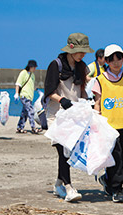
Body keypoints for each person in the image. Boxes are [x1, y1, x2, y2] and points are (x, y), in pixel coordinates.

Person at [43, 32, 94, 202]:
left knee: (67, 151)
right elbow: (49, 91)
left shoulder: (82, 66)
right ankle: (69, 188)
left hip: (74, 115)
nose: (83, 54)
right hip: (56, 114)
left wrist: (89, 104)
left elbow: (83, 90)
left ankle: (58, 184)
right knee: (63, 150)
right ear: (71, 49)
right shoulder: (55, 65)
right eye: (80, 51)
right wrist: (61, 99)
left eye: (84, 51)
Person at [92, 44, 123, 203]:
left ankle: (107, 179)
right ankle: (117, 189)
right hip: (108, 126)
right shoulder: (100, 80)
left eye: (119, 58)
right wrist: (96, 120)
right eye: (111, 59)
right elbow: (98, 103)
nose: (116, 62)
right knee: (116, 155)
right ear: (106, 61)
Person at [14, 60, 39, 134]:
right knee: (31, 111)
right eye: (34, 67)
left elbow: (30, 85)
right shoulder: (23, 73)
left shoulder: (32, 75)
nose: (35, 69)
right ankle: (33, 128)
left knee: (24, 113)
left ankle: (19, 127)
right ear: (30, 67)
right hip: (24, 95)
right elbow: (18, 83)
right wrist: (16, 93)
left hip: (30, 96)